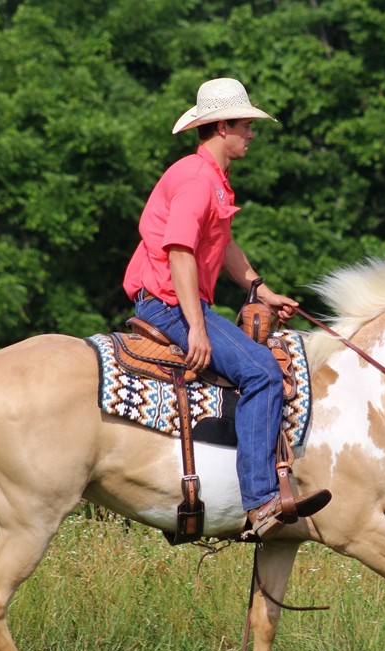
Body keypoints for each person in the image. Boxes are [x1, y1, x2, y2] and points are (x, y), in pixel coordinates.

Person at [123, 77, 330, 538]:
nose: (251, 134)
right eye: (245, 125)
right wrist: (196, 326)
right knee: (263, 372)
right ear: (222, 128)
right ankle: (261, 501)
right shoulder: (198, 180)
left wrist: (259, 287)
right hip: (170, 306)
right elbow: (180, 251)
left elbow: (223, 243)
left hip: (176, 302)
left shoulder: (212, 178)